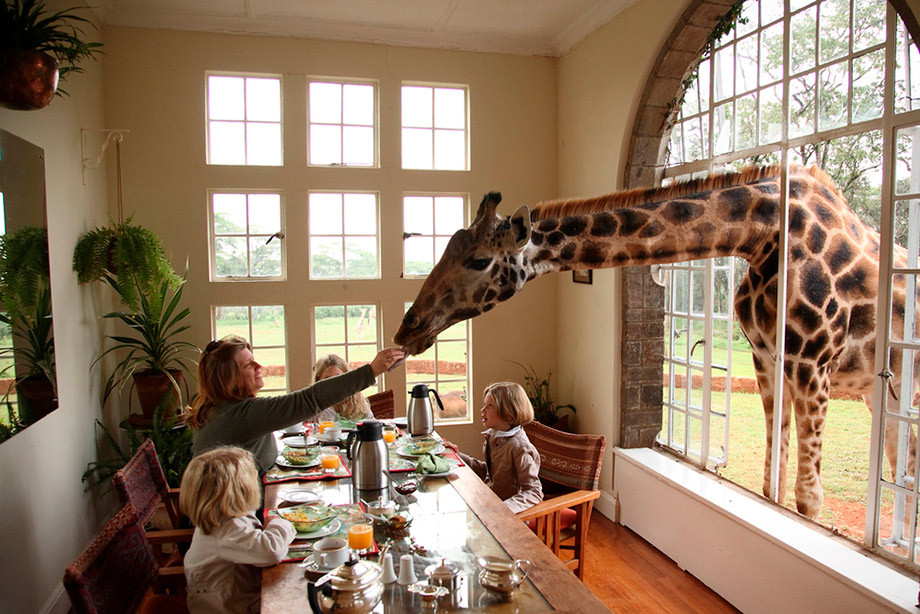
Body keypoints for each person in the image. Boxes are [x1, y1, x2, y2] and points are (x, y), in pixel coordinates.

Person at [186, 334, 405, 474]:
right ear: (230, 377)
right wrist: (372, 370)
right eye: (248, 364)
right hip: (238, 522)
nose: (259, 365)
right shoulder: (244, 414)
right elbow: (309, 399)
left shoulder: (218, 407)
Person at [179, 446, 296, 613]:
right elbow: (270, 551)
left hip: (232, 596)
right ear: (240, 490)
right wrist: (279, 523)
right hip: (226, 607)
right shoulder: (227, 529)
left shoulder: (219, 516)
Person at [443, 382, 543, 513]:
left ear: (508, 412)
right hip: (488, 504)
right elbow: (490, 473)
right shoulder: (494, 437)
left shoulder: (520, 448)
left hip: (511, 517)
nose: (482, 410)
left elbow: (533, 492)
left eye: (489, 406)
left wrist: (502, 509)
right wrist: (457, 456)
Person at [312, 354, 374, 423]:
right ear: (319, 380)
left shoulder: (358, 399)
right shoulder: (315, 404)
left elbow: (372, 422)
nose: (333, 383)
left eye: (338, 378)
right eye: (327, 379)